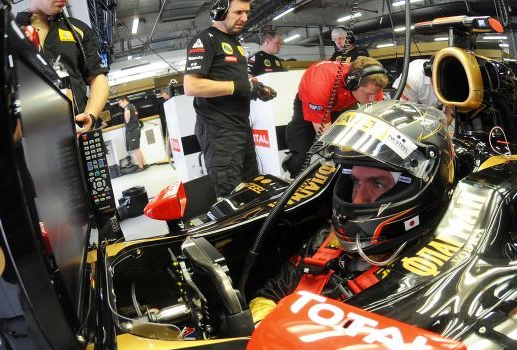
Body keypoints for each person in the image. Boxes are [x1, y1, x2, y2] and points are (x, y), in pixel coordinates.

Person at [250, 102, 453, 323]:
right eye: (355, 181)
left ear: (419, 187)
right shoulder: (328, 239)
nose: (358, 198)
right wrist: (264, 326)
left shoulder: (431, 270)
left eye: (377, 184)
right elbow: (268, 296)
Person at [183, 0, 276, 197]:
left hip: (240, 127)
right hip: (219, 133)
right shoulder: (205, 40)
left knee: (253, 190)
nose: (245, 18)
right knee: (231, 196)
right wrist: (236, 86)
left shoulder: (235, 42)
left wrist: (256, 89)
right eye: (238, 12)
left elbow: (236, 81)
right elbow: (191, 86)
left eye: (247, 13)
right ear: (220, 12)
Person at [283, 57, 388, 177]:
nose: (372, 99)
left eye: (376, 94)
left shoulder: (372, 82)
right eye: (369, 94)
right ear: (352, 83)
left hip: (345, 103)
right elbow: (325, 136)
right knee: (302, 157)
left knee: (355, 144)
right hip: (312, 103)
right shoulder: (318, 85)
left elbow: (376, 116)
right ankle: (291, 167)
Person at [16, 0, 109, 132]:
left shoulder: (78, 29)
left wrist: (91, 116)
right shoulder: (9, 34)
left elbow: (98, 78)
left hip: (78, 132)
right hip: (34, 137)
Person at [118, 96, 145, 170]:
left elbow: (127, 113)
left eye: (120, 102)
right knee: (137, 149)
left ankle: (141, 166)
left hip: (132, 130)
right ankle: (143, 164)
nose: (119, 105)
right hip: (135, 129)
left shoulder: (128, 107)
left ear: (124, 100)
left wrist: (127, 120)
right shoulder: (133, 106)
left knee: (136, 149)